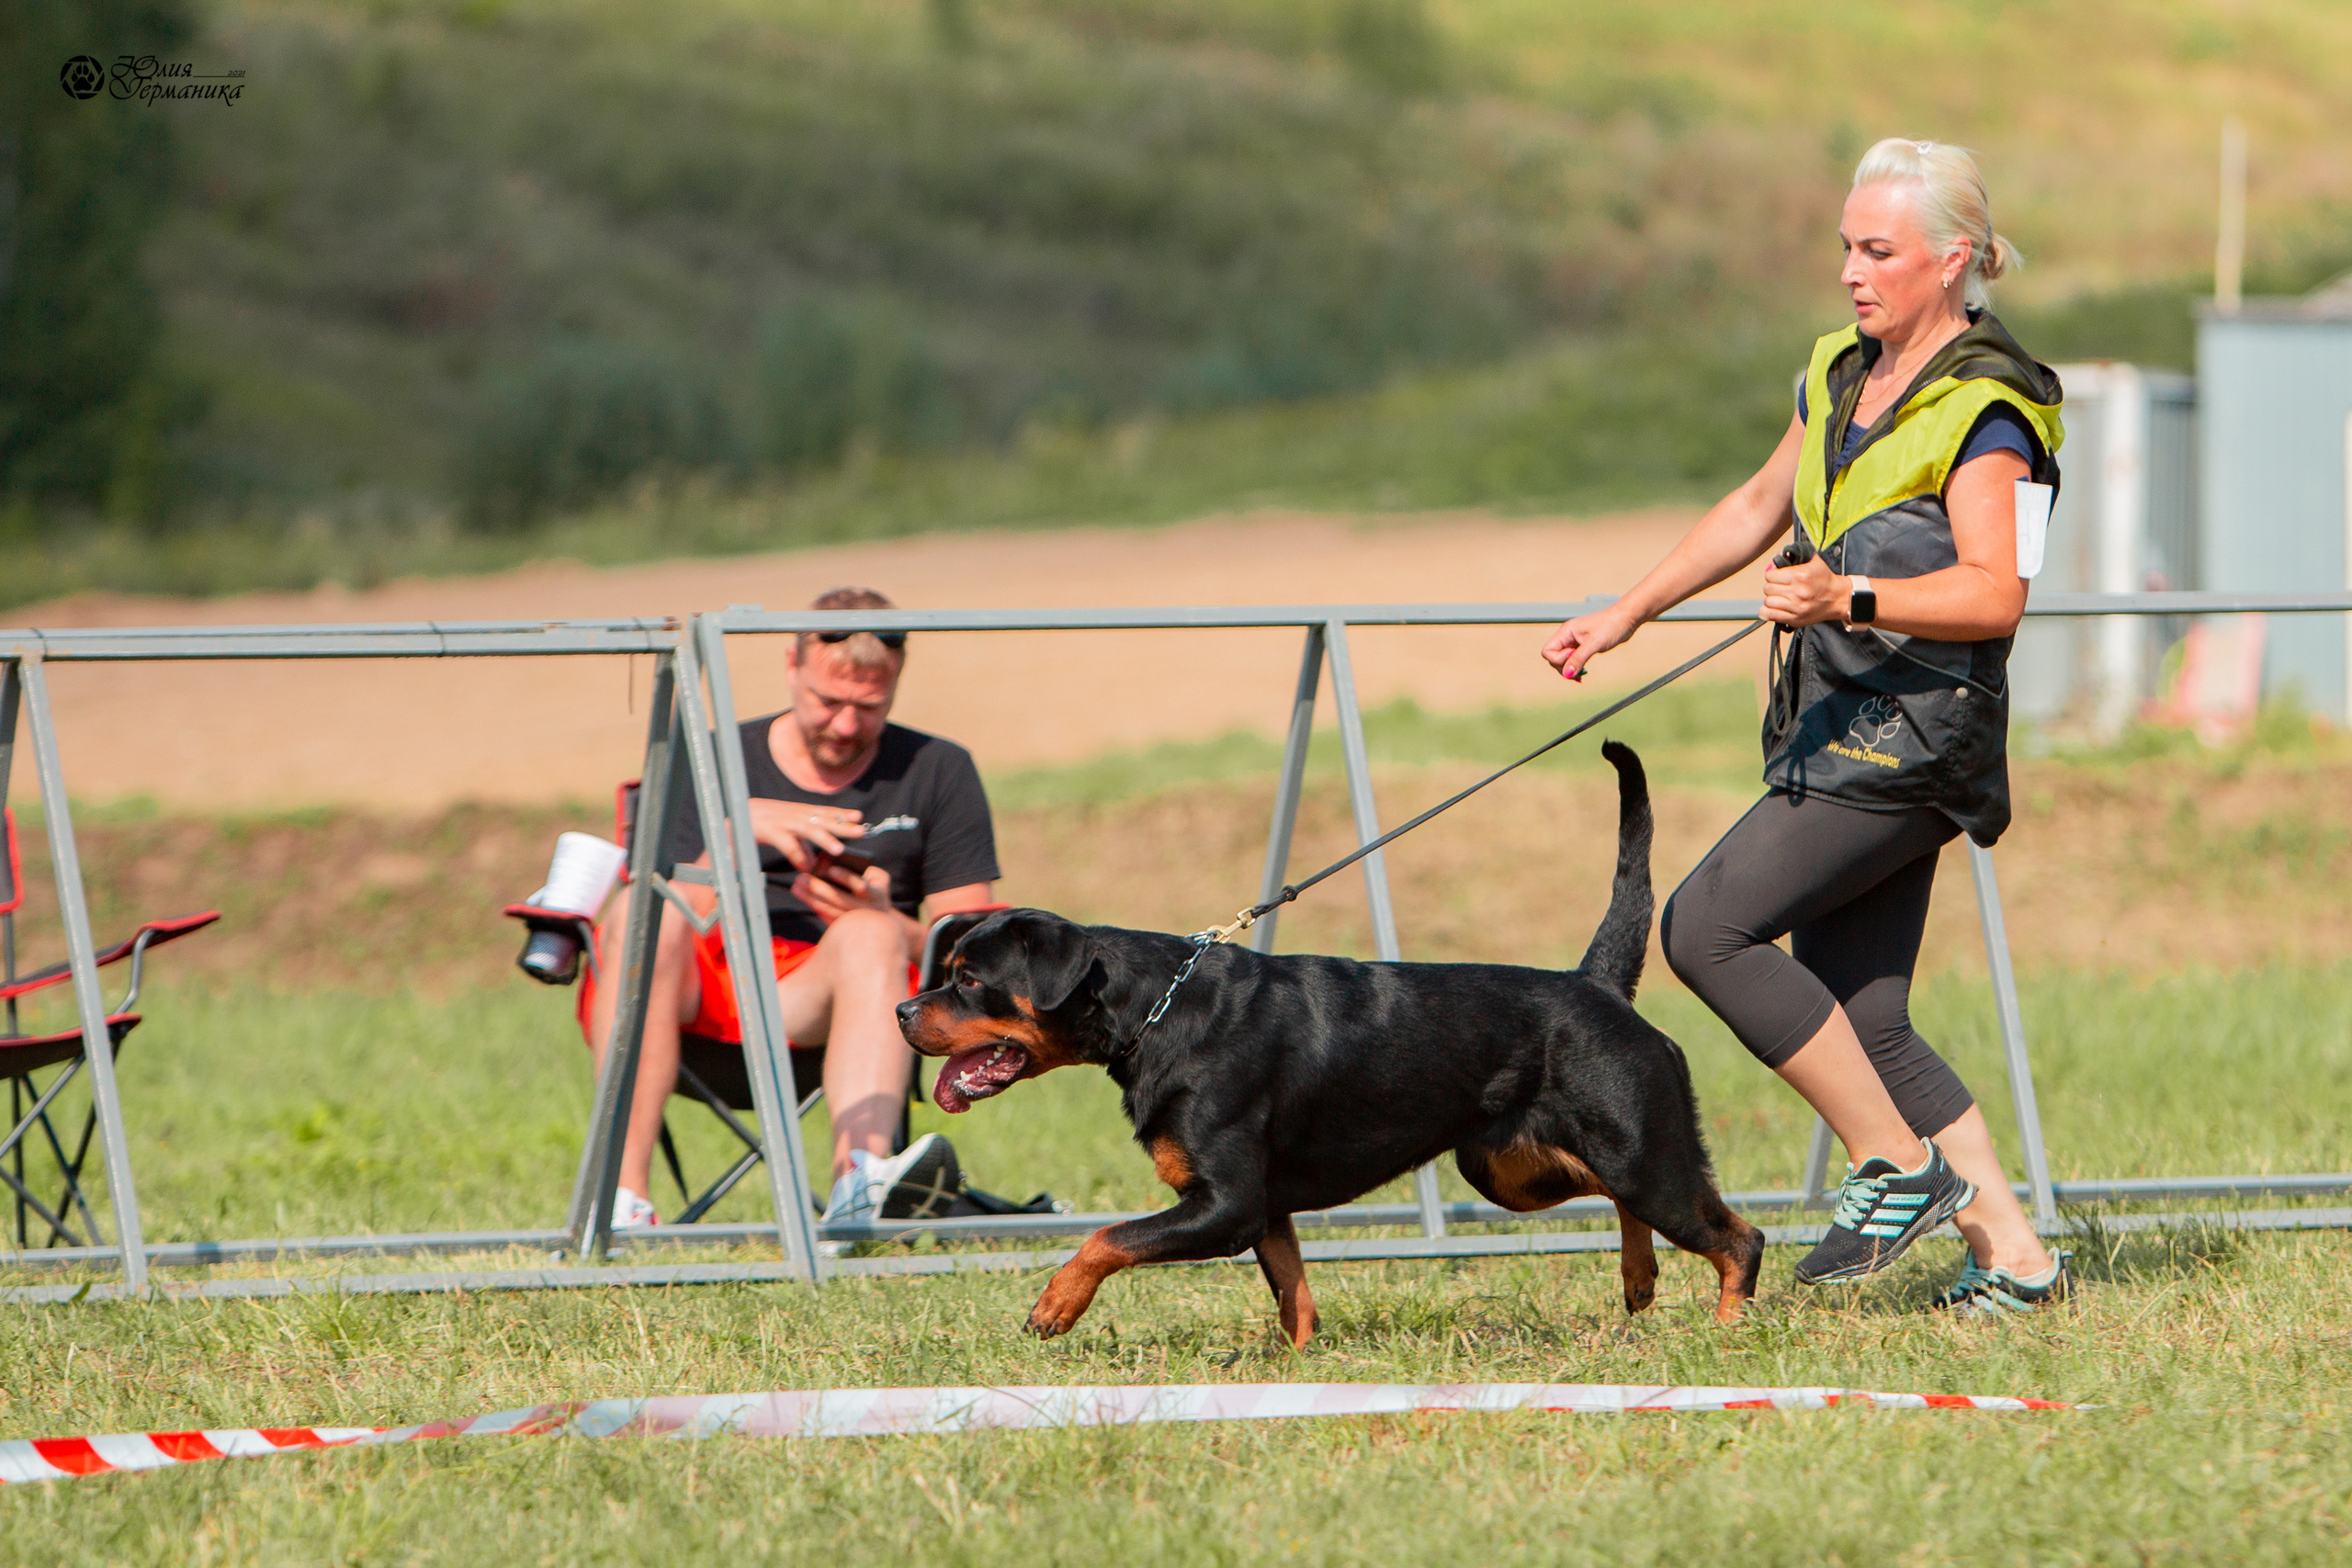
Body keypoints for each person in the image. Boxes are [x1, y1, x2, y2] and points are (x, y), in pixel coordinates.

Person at [1541, 140, 2068, 1314]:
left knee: (1706, 927)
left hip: (1919, 738)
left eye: (1877, 250)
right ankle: (2019, 1264)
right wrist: (1627, 610)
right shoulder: (1838, 369)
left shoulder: (1993, 410)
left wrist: (1850, 597)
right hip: (1834, 723)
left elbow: (1996, 592)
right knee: (1865, 1011)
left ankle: (1900, 1166)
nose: (1849, 271)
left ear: (1955, 261)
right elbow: (1753, 504)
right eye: (1844, 246)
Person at [583, 587, 1002, 1229]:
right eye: (828, 701)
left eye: (868, 706)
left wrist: (890, 921)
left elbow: (977, 949)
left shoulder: (938, 768)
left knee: (869, 934)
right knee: (649, 909)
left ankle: (858, 1188)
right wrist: (734, 833)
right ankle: (623, 1200)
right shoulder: (712, 755)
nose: (844, 724)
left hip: (827, 1002)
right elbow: (643, 919)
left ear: (896, 684)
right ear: (792, 665)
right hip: (699, 1000)